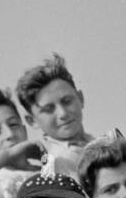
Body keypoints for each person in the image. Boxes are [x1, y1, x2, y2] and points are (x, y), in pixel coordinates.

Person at [14, 52, 97, 180]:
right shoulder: (55, 164)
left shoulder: (104, 144)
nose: (63, 113)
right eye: (48, 109)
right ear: (32, 121)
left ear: (80, 98)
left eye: (67, 101)